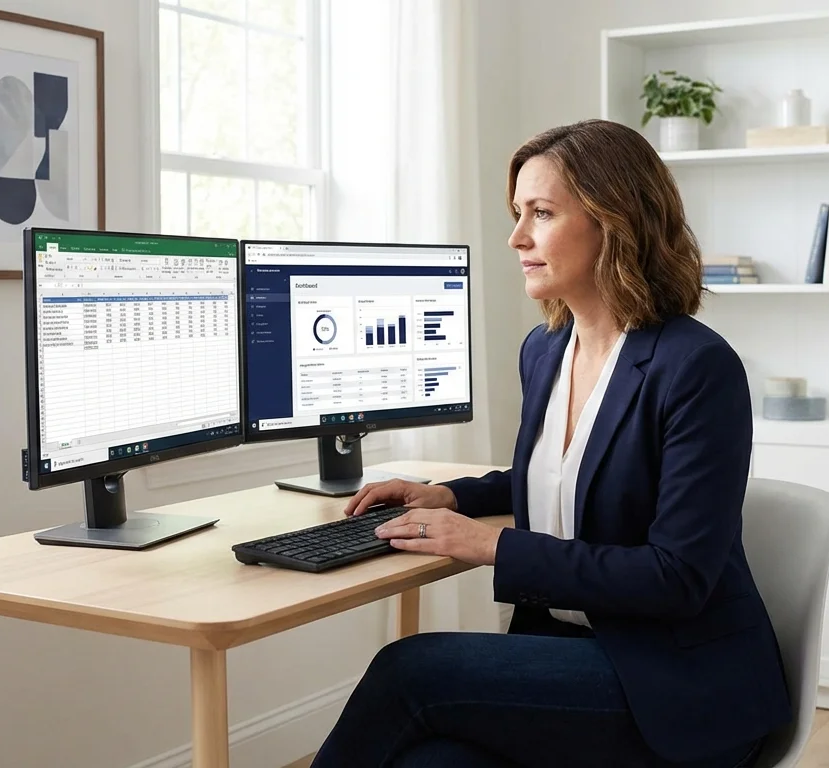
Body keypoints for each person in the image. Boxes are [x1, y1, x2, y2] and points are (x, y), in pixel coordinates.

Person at [308, 119, 791, 768]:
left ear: (614, 220)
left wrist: (494, 545)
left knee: (408, 672)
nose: (516, 238)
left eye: (541, 213)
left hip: (675, 684)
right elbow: (566, 474)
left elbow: (677, 579)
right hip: (570, 654)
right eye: (517, 214)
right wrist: (450, 494)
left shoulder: (696, 366)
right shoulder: (544, 351)